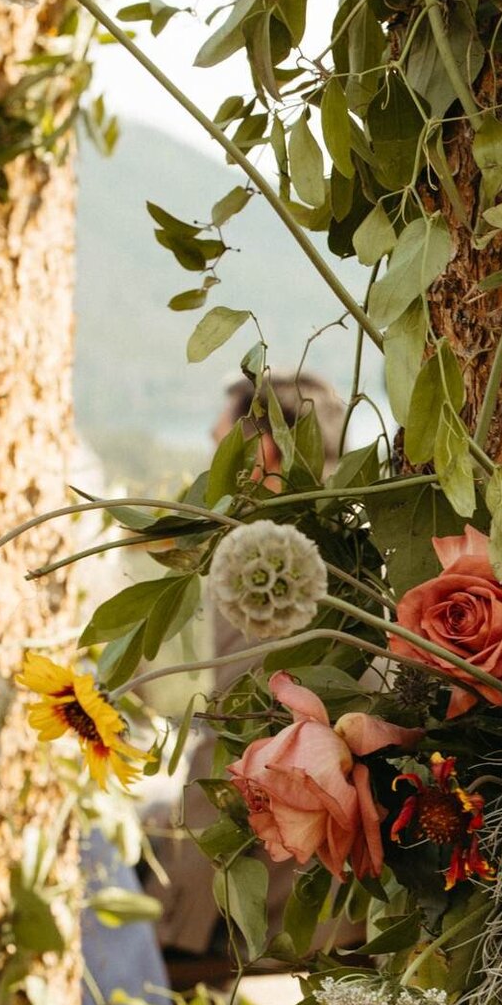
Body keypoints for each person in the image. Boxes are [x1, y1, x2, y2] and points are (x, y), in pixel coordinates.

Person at [152, 371, 348, 960]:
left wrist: (187, 896)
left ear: (263, 453)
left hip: (265, 871)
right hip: (337, 867)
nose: (210, 451)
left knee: (83, 857)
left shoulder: (265, 569)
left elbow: (236, 737)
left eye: (221, 445)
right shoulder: (358, 542)